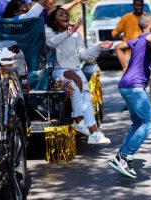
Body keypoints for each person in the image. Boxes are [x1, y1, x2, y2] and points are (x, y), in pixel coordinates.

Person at [45, 6, 112, 144]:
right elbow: (52, 43)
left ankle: (93, 133)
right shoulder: (49, 31)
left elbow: (84, 55)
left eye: (66, 14)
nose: (65, 16)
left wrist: (99, 47)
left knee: (86, 97)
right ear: (55, 20)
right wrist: (70, 31)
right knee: (75, 83)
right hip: (58, 70)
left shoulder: (75, 35)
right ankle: (78, 119)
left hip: (75, 69)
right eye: (61, 15)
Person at [109, 13, 151, 178]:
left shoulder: (137, 39)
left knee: (137, 123)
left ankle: (120, 157)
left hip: (127, 86)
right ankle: (124, 156)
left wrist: (125, 68)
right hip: (133, 88)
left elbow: (118, 47)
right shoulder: (150, 36)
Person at [112, 0, 151, 110]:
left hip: (146, 53)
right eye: (137, 5)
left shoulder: (147, 19)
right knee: (133, 78)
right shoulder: (126, 17)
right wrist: (115, 34)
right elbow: (116, 31)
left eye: (141, 5)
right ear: (133, 5)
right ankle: (132, 102)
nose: (139, 7)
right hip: (130, 53)